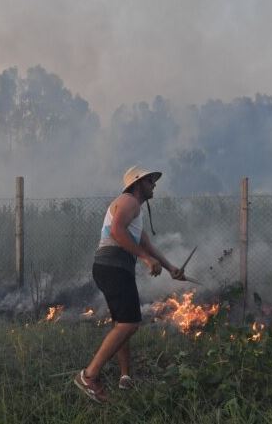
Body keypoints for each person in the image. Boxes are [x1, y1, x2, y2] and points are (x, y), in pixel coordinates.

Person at [74, 166, 186, 402]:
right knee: (130, 323)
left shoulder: (135, 212)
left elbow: (146, 244)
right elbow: (116, 231)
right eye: (149, 181)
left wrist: (170, 268)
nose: (154, 184)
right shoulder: (128, 202)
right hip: (113, 266)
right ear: (137, 184)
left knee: (121, 323)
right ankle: (88, 376)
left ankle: (125, 377)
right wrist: (145, 260)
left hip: (112, 267)